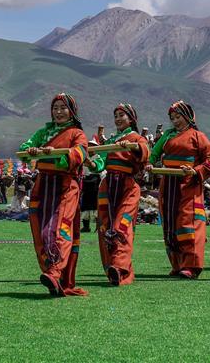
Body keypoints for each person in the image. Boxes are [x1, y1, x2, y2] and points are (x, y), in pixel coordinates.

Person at [19, 93, 89, 297]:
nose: (58, 112)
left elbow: (81, 153)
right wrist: (33, 150)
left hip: (66, 185)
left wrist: (58, 154)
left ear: (72, 111)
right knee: (41, 229)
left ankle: (54, 272)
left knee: (59, 227)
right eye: (55, 108)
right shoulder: (44, 132)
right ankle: (55, 276)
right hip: (43, 184)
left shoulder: (77, 133)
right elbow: (24, 147)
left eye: (63, 108)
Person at [147, 101, 210, 279]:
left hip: (188, 184)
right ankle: (177, 264)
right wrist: (149, 163)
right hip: (168, 183)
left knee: (187, 222)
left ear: (188, 117)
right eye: (172, 118)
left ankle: (191, 265)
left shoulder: (198, 136)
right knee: (170, 224)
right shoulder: (168, 135)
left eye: (178, 117)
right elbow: (155, 152)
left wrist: (196, 171)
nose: (175, 121)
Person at [93, 103, 150, 286]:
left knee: (121, 226)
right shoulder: (111, 141)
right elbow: (100, 162)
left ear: (131, 119)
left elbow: (145, 153)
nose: (117, 118)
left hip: (127, 186)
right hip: (107, 186)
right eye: (115, 115)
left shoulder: (136, 138)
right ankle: (115, 269)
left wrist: (132, 147)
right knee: (106, 227)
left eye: (121, 115)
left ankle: (119, 267)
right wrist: (91, 164)